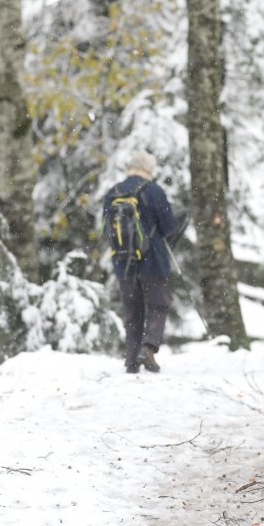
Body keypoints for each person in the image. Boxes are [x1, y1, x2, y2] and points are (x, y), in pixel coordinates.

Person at [103, 150, 178, 374]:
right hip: (152, 259)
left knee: (132, 310)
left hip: (123, 261)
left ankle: (131, 358)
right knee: (158, 304)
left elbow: (106, 228)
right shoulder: (153, 191)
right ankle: (148, 348)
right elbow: (168, 226)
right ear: (149, 169)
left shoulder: (113, 193)